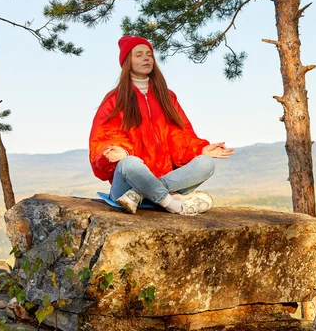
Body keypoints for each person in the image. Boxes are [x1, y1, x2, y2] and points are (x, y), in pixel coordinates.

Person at [89, 35, 234, 215]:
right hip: (126, 187)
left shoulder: (167, 97)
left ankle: (143, 193)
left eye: (149, 54)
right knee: (130, 163)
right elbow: (103, 138)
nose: (146, 58)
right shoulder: (115, 99)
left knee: (206, 164)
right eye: (139, 55)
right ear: (128, 62)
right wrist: (120, 152)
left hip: (156, 184)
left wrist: (200, 149)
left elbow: (179, 136)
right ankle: (175, 206)